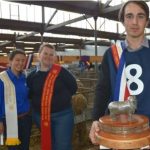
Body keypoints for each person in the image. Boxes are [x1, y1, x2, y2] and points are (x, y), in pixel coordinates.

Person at [89, 0, 150, 145]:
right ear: (122, 21)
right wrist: (95, 120)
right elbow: (102, 90)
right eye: (129, 16)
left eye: (140, 16)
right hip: (117, 130)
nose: (135, 22)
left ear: (147, 21)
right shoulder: (111, 54)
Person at [27, 43, 77, 150]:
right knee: (49, 143)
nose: (48, 57)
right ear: (39, 55)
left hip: (62, 115)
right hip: (41, 117)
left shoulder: (62, 72)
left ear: (54, 57)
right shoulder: (31, 76)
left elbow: (73, 87)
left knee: (62, 146)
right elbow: (30, 94)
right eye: (45, 53)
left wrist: (61, 99)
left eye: (51, 54)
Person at [0, 50, 32, 150]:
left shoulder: (25, 77)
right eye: (17, 60)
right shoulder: (2, 78)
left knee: (25, 146)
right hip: (9, 120)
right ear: (10, 61)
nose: (20, 63)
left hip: (26, 119)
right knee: (13, 148)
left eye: (23, 60)